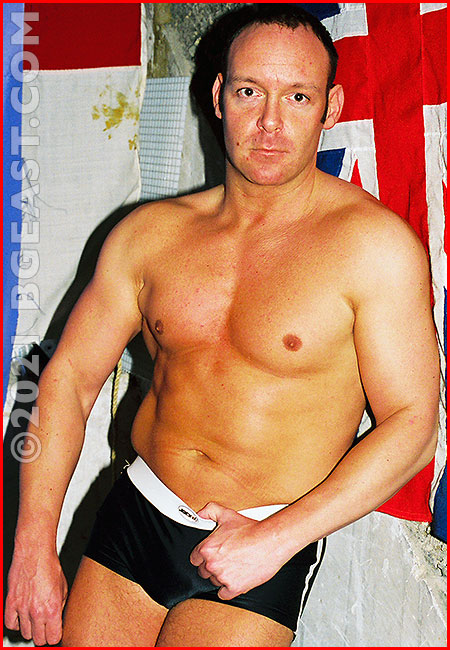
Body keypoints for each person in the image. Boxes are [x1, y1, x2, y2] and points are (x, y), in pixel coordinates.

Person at [5, 4, 439, 647]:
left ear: (332, 106)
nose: (270, 123)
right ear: (218, 96)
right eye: (249, 92)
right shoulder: (149, 235)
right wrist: (31, 544)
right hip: (138, 512)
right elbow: (63, 379)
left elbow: (414, 425)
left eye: (297, 96)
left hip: (262, 539)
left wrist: (278, 539)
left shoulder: (374, 249)